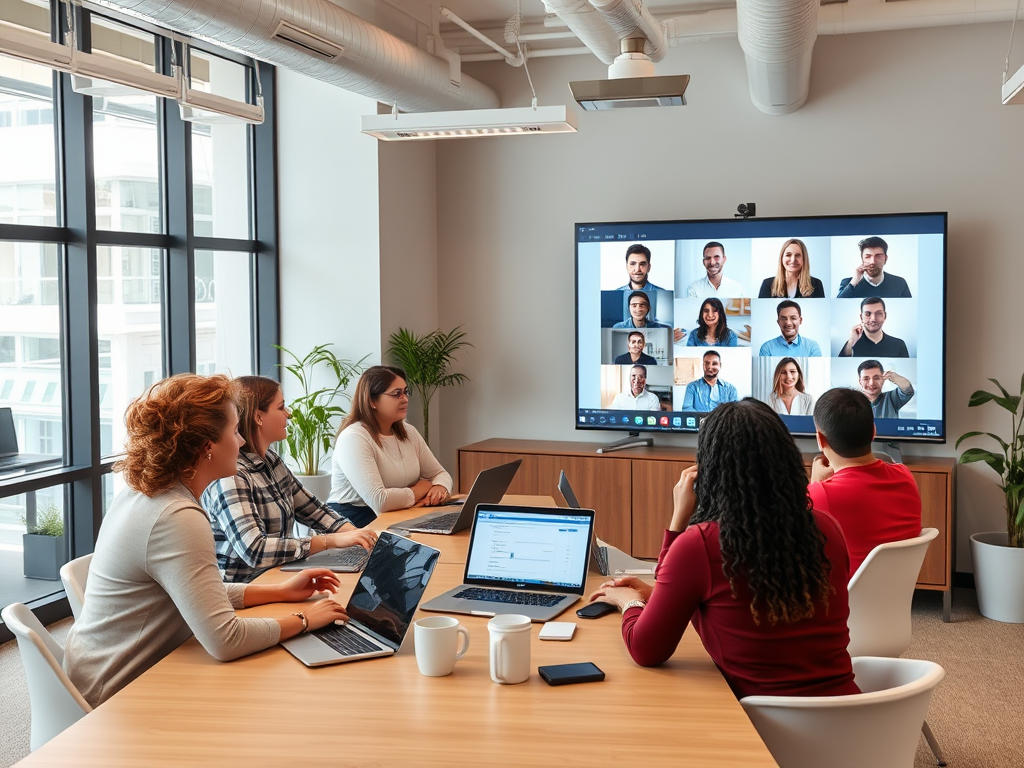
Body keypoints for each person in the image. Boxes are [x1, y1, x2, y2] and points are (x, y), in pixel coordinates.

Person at [63, 374, 350, 708]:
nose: (242, 442)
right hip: (118, 690)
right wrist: (304, 620)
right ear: (207, 447)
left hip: (100, 667)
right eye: (234, 432)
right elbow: (225, 640)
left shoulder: (144, 492)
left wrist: (279, 591)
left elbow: (196, 590)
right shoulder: (177, 516)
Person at [587, 399, 859, 699]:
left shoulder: (700, 544)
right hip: (848, 718)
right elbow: (741, 605)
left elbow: (646, 649)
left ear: (710, 468)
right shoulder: (827, 527)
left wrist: (630, 601)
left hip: (764, 731)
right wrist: (656, 594)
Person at [203, 376, 377, 583]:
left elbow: (315, 511)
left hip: (280, 578)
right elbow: (255, 550)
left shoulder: (271, 460)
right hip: (250, 591)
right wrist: (330, 541)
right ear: (259, 417)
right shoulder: (232, 475)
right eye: (281, 407)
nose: (289, 414)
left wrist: (362, 537)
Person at [809, 388, 922, 576]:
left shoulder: (820, 495)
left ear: (820, 440)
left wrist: (815, 484)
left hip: (842, 600)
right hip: (895, 597)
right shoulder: (905, 476)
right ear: (873, 432)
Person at [328, 365, 452, 527]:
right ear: (372, 401)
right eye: (396, 394)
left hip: (401, 512)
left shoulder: (408, 431)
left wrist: (439, 487)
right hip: (354, 523)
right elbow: (379, 501)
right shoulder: (353, 437)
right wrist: (421, 488)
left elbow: (439, 473)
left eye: (406, 392)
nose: (405, 399)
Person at [837, 236, 913, 298]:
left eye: (878, 256)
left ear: (885, 259)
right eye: (868, 256)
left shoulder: (900, 283)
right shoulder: (848, 283)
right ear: (862, 259)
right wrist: (854, 283)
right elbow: (838, 307)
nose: (873, 261)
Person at [839, 297, 909, 357]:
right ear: (861, 317)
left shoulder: (899, 344)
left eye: (878, 314)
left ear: (885, 316)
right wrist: (851, 343)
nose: (873, 319)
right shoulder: (851, 344)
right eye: (867, 314)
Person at [757, 238, 826, 298]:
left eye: (797, 255)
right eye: (788, 255)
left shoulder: (816, 284)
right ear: (782, 258)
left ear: (804, 259)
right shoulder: (768, 284)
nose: (793, 260)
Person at [758, 300, 822, 357]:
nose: (788, 323)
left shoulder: (812, 347)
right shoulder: (767, 348)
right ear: (778, 322)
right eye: (783, 318)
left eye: (793, 318)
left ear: (800, 320)